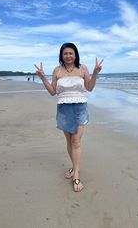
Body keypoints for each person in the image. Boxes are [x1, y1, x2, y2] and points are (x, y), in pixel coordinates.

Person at [34, 42, 103, 192]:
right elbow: (53, 91)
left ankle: (76, 174)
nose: (68, 56)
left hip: (80, 107)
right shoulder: (57, 70)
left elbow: (89, 88)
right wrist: (42, 78)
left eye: (71, 53)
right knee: (69, 141)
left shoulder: (82, 68)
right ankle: (74, 167)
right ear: (61, 56)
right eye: (65, 53)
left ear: (75, 54)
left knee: (76, 141)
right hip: (64, 107)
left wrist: (96, 73)